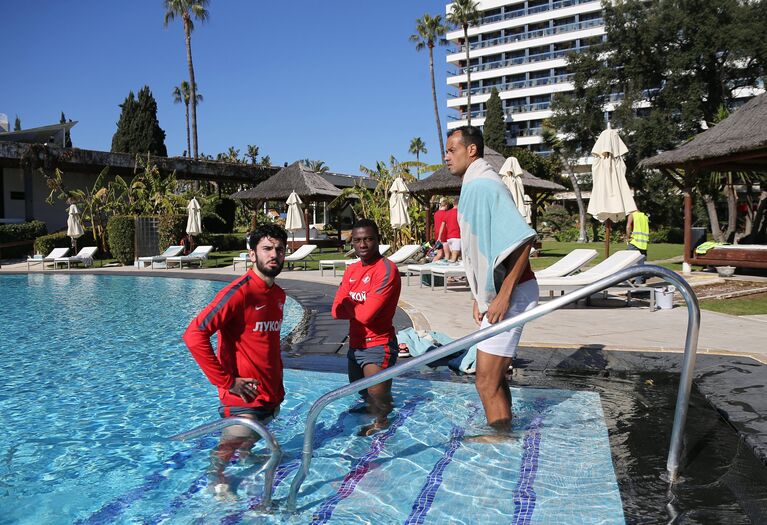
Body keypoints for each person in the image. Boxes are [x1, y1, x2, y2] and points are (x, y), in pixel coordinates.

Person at [444, 125, 538, 436]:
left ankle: (500, 438)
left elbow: (524, 240)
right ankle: (506, 431)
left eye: (451, 150)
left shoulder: (484, 185)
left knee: (484, 378)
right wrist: (479, 295)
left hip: (515, 291)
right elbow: (481, 250)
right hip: (503, 292)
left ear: (471, 150)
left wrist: (503, 296)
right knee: (493, 377)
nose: (446, 157)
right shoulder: (475, 185)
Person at [183, 224, 288, 500]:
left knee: (249, 438)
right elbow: (194, 335)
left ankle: (246, 457)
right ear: (252, 254)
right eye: (266, 249)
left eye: (279, 249)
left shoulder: (278, 294)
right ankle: (216, 480)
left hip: (268, 390)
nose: (274, 254)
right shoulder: (239, 292)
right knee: (230, 441)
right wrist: (227, 382)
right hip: (241, 394)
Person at [331, 218, 402, 436]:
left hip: (378, 344)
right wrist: (358, 307)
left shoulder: (386, 270)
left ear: (378, 240)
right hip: (356, 344)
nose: (363, 245)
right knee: (362, 390)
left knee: (378, 394)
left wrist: (352, 305)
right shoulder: (352, 270)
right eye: (358, 240)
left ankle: (382, 422)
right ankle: (376, 408)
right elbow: (335, 310)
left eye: (368, 239)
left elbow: (367, 315)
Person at [626, 210, 650, 283]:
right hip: (643, 243)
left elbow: (628, 226)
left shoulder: (632, 215)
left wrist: (628, 237)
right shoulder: (645, 217)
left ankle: (626, 279)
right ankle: (639, 281)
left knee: (629, 262)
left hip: (634, 241)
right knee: (641, 264)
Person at [444, 197, 461, 262]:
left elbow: (443, 226)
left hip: (449, 238)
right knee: (454, 258)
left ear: (453, 204)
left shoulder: (447, 213)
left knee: (454, 257)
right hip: (457, 237)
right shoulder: (460, 213)